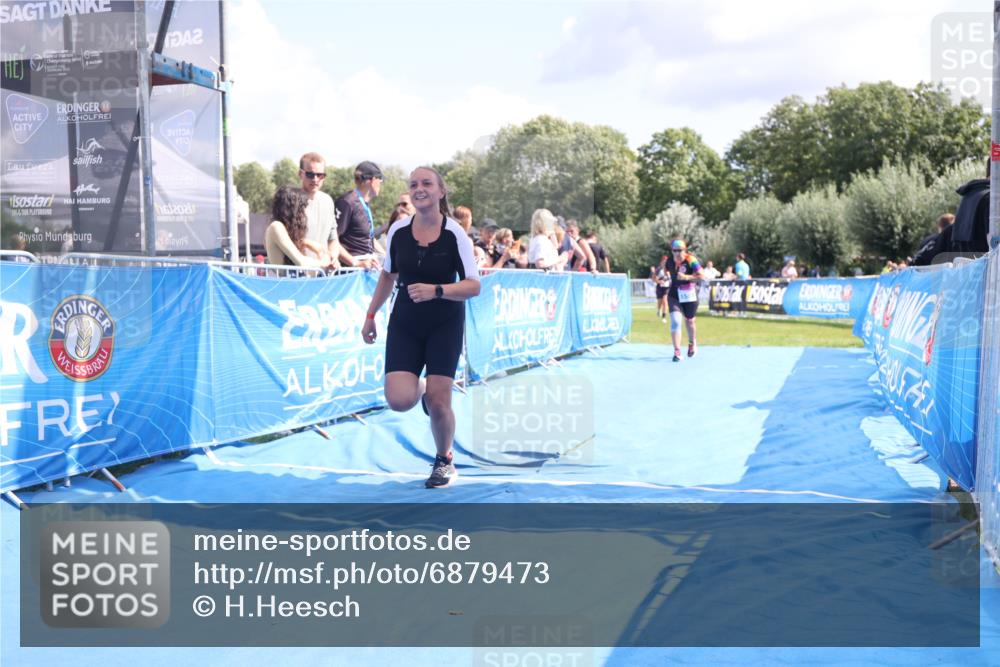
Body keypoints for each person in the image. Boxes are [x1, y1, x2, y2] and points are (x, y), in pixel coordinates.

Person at [362, 166, 480, 489]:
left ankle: (444, 459)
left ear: (441, 192)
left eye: (427, 183)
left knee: (441, 404)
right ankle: (425, 388)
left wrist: (437, 290)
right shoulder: (398, 231)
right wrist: (371, 314)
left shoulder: (454, 233)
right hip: (406, 321)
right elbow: (388, 275)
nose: (419, 188)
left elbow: (473, 286)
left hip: (444, 321)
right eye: (413, 184)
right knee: (398, 400)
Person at [264, 185, 337, 270]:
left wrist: (320, 251)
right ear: (292, 210)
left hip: (295, 282)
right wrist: (324, 263)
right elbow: (301, 262)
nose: (304, 212)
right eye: (302, 208)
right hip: (283, 282)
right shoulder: (276, 227)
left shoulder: (290, 232)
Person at [658, 239, 704, 362]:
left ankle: (691, 342)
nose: (678, 253)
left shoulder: (691, 260)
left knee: (690, 321)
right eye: (675, 251)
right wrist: (666, 277)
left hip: (689, 295)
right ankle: (677, 352)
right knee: (676, 321)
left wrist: (687, 277)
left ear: (685, 250)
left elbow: (702, 276)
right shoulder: (669, 261)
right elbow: (665, 270)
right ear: (672, 251)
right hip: (674, 295)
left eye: (680, 250)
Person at [335, 160, 385, 268]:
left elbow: (368, 238)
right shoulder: (347, 202)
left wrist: (386, 257)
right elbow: (332, 239)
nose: (381, 184)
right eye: (380, 180)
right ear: (372, 180)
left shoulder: (364, 203)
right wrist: (356, 263)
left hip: (365, 269)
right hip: (351, 273)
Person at [298, 151, 342, 269]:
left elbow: (333, 239)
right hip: (297, 273)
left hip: (322, 275)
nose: (315, 179)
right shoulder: (290, 200)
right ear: (300, 174)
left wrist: (333, 257)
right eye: (310, 174)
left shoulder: (328, 201)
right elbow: (282, 239)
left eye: (320, 175)